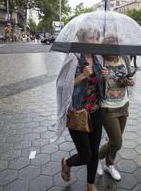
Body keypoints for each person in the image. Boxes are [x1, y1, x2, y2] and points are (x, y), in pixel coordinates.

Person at [57, 28, 107, 191]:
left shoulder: (99, 57)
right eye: (89, 38)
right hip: (78, 113)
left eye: (95, 38)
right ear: (81, 39)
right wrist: (81, 76)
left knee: (94, 152)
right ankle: (67, 163)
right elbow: (62, 86)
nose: (93, 41)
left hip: (96, 111)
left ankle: (90, 184)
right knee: (85, 155)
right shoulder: (72, 58)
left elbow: (99, 87)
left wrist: (104, 76)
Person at [96, 34, 134, 181]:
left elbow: (127, 78)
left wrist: (129, 82)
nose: (114, 50)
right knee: (117, 142)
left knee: (114, 142)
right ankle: (95, 158)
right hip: (108, 107)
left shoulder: (124, 58)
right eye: (111, 46)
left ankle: (109, 164)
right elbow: (95, 86)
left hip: (123, 104)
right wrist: (101, 77)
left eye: (116, 46)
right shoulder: (100, 60)